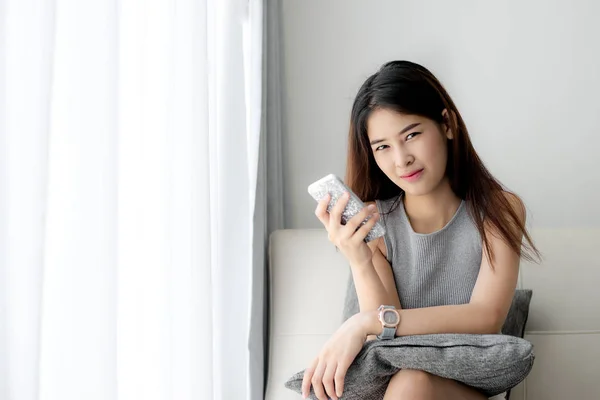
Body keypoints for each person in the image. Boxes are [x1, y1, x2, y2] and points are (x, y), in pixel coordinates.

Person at [302, 60, 541, 400]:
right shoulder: (374, 223)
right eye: (382, 146)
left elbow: (486, 316)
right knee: (408, 381)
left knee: (413, 383)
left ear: (447, 124)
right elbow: (387, 348)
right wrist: (360, 261)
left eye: (411, 135)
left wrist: (365, 322)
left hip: (465, 389)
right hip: (398, 389)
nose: (401, 160)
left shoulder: (499, 210)